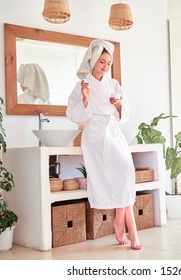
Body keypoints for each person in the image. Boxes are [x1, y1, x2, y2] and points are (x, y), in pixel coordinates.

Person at [66, 39, 142, 250]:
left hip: (114, 133)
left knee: (126, 170)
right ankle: (131, 230)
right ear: (92, 61)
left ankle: (120, 219)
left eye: (108, 62)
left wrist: (118, 105)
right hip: (96, 135)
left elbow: (124, 113)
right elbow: (72, 114)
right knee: (118, 174)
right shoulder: (83, 85)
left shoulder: (114, 84)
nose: (106, 66)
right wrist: (85, 99)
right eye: (102, 61)